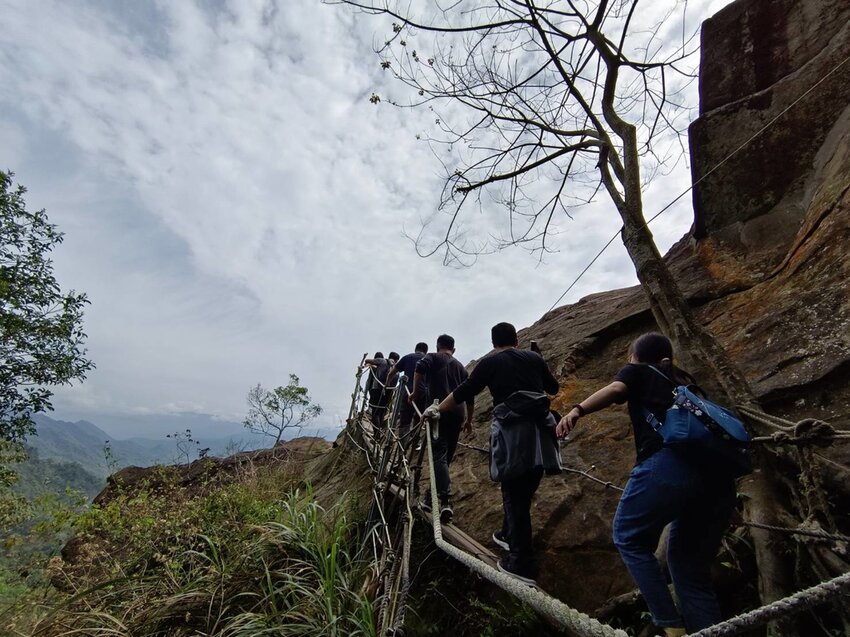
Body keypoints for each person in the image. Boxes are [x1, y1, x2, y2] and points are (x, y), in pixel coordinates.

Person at [556, 332, 736, 636]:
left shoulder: (638, 370)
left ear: (635, 357)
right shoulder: (686, 382)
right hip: (718, 479)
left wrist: (577, 410)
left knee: (628, 536)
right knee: (689, 570)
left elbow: (616, 388)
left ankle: (669, 627)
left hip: (670, 463)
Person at [431, 322, 559, 585]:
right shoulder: (534, 358)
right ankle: (508, 534)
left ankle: (521, 563)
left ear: (493, 343)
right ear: (516, 340)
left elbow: (463, 391)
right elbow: (553, 388)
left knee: (513, 492)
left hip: (513, 434)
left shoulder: (491, 363)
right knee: (525, 488)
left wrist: (436, 410)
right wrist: (539, 359)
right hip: (541, 434)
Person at [412, 334, 473, 524]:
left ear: (438, 346)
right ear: (453, 349)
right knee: (444, 459)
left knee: (438, 456)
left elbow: (419, 368)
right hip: (457, 414)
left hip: (438, 412)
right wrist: (469, 420)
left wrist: (415, 392)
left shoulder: (433, 357)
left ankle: (445, 500)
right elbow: (469, 396)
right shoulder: (461, 368)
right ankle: (430, 499)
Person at [388, 342, 429, 441]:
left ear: (416, 349)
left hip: (408, 392)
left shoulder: (407, 357)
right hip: (423, 392)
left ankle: (403, 446)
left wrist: (387, 384)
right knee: (419, 418)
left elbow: (392, 372)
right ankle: (416, 441)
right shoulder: (429, 359)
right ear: (426, 351)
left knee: (405, 421)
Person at [363, 351, 399, 430]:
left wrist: (372, 365)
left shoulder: (382, 361)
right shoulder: (397, 367)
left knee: (375, 412)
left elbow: (367, 360)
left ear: (389, 356)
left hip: (377, 389)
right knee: (382, 411)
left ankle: (376, 433)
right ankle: (379, 431)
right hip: (389, 392)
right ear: (397, 360)